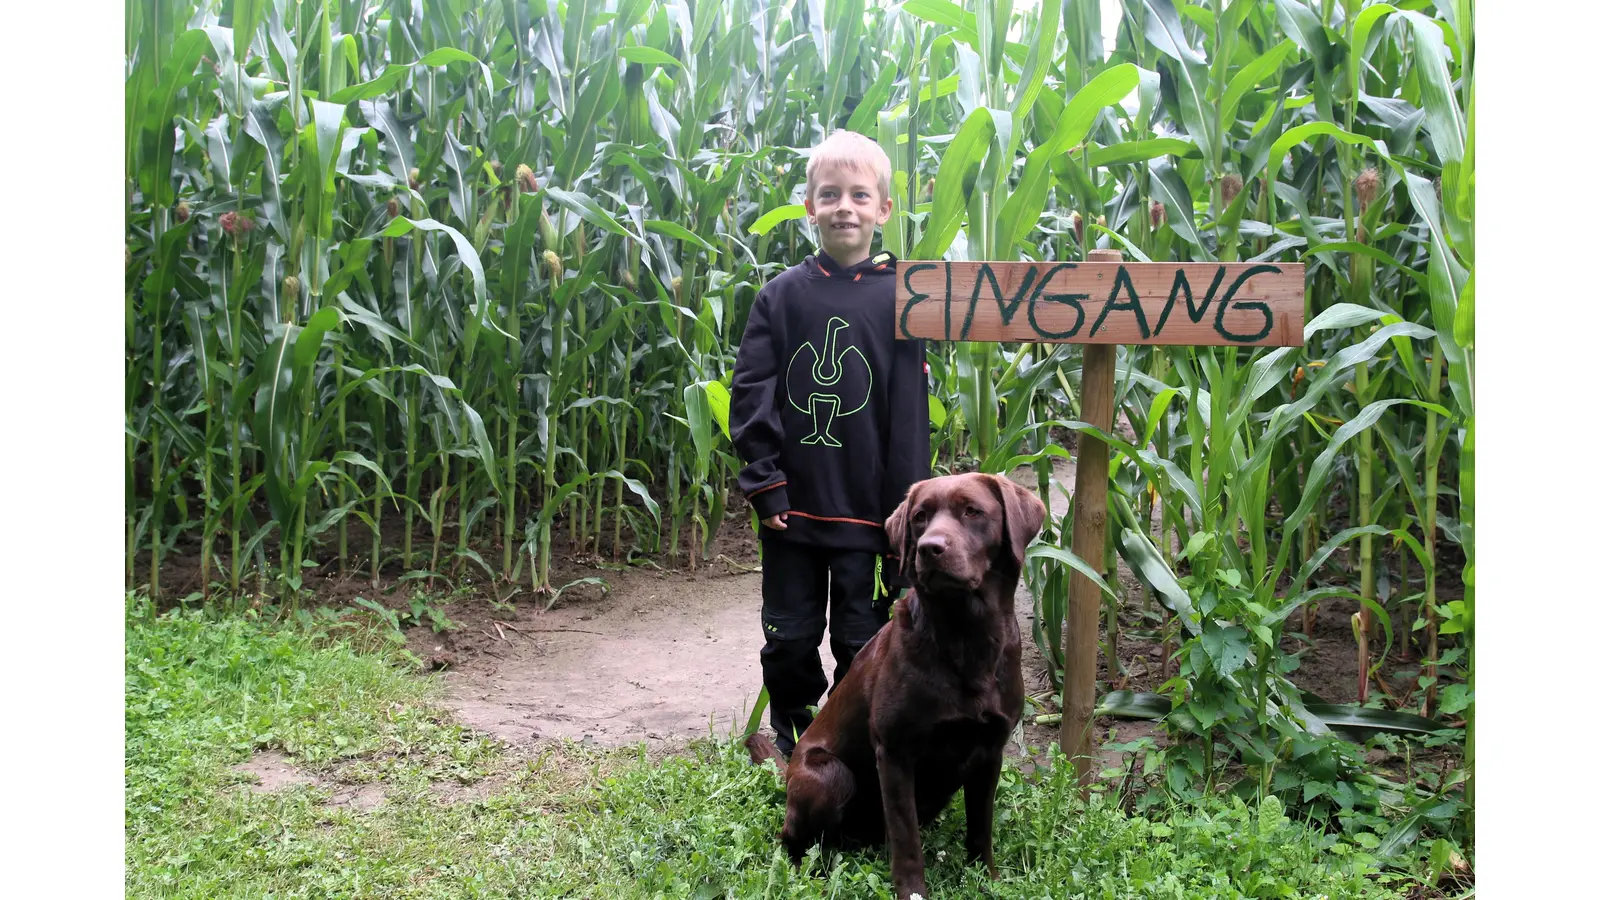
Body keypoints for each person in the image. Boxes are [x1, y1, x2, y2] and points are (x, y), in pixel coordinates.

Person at [729, 130, 930, 757]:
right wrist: (765, 481)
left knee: (860, 637)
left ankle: (848, 739)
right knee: (788, 636)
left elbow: (910, 416)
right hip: (792, 511)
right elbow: (752, 392)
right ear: (810, 206)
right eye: (830, 194)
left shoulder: (905, 299)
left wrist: (906, 517)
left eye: (860, 195)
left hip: (868, 516)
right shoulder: (781, 297)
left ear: (884, 210)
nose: (845, 206)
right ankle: (795, 737)